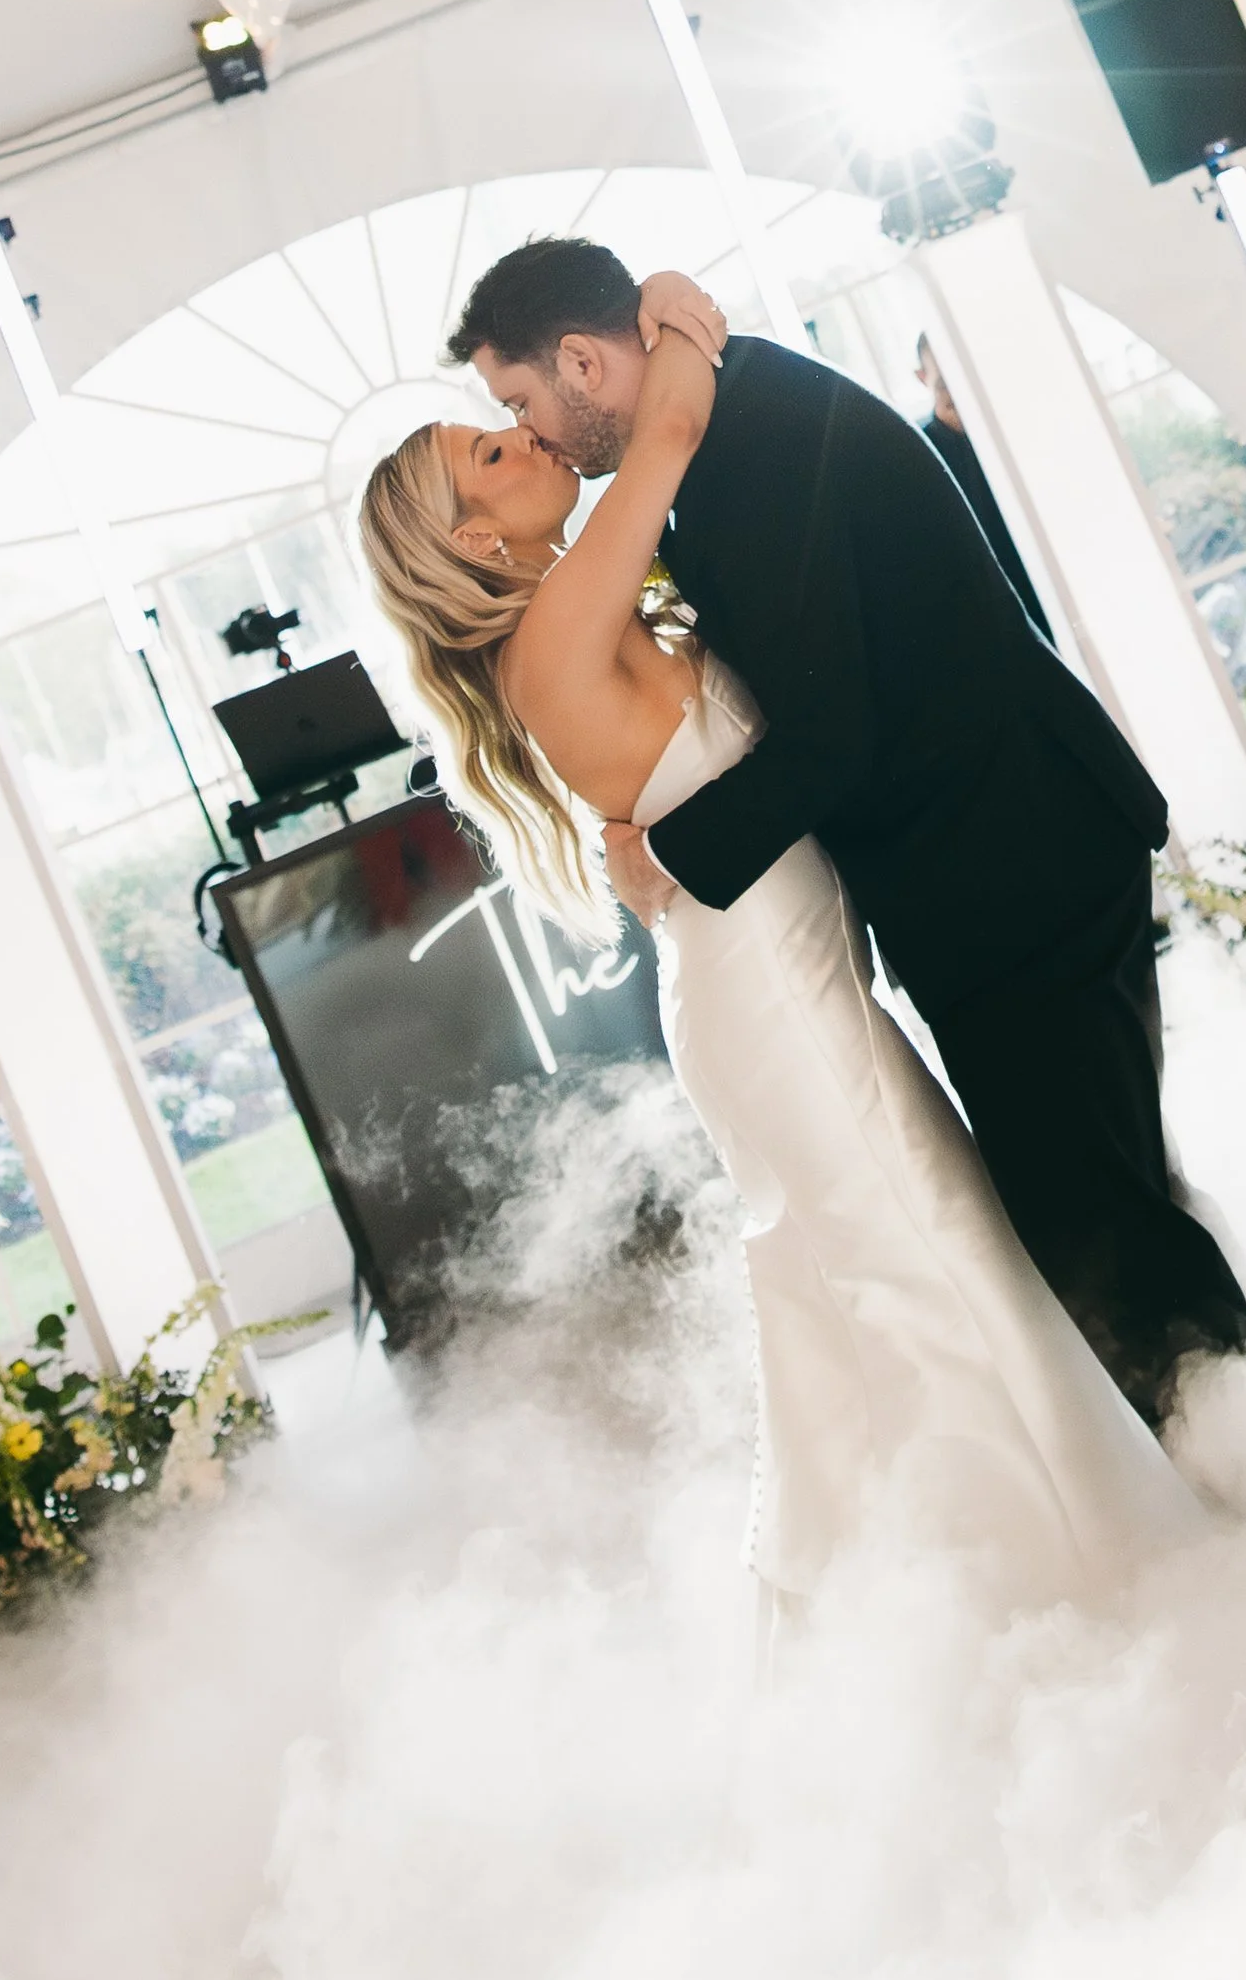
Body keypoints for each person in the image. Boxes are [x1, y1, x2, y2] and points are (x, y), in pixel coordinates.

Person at [359, 270, 1197, 1614]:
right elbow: (673, 435)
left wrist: (667, 334)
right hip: (772, 998)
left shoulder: (594, 599)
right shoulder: (564, 621)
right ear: (470, 541)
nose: (521, 438)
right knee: (922, 1262)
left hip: (825, 962)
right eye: (495, 443)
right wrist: (684, 335)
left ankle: (1039, 1540)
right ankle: (1046, 1578)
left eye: (510, 412)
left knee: (946, 1249)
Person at [914, 333, 1053, 640]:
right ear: (923, 377)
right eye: (945, 380)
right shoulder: (917, 450)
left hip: (1046, 592)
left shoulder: (1017, 430)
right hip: (979, 612)